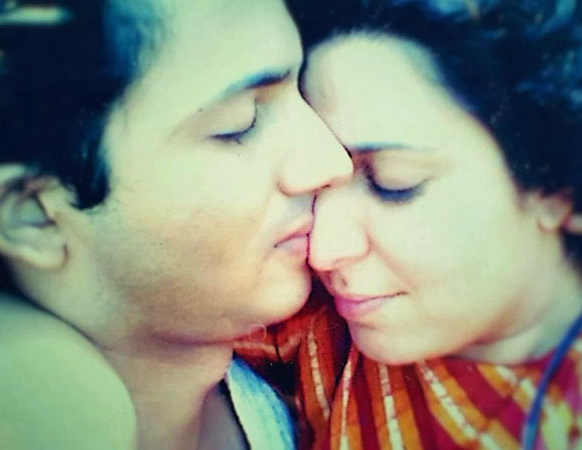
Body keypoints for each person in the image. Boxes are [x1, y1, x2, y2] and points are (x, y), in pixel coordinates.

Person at [0, 0, 353, 448]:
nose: (333, 161)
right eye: (239, 124)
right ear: (34, 215)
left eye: (303, 92)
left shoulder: (336, 372)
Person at [237, 0, 582, 448]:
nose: (322, 250)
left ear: (559, 191)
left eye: (392, 183)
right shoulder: (306, 326)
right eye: (316, 186)